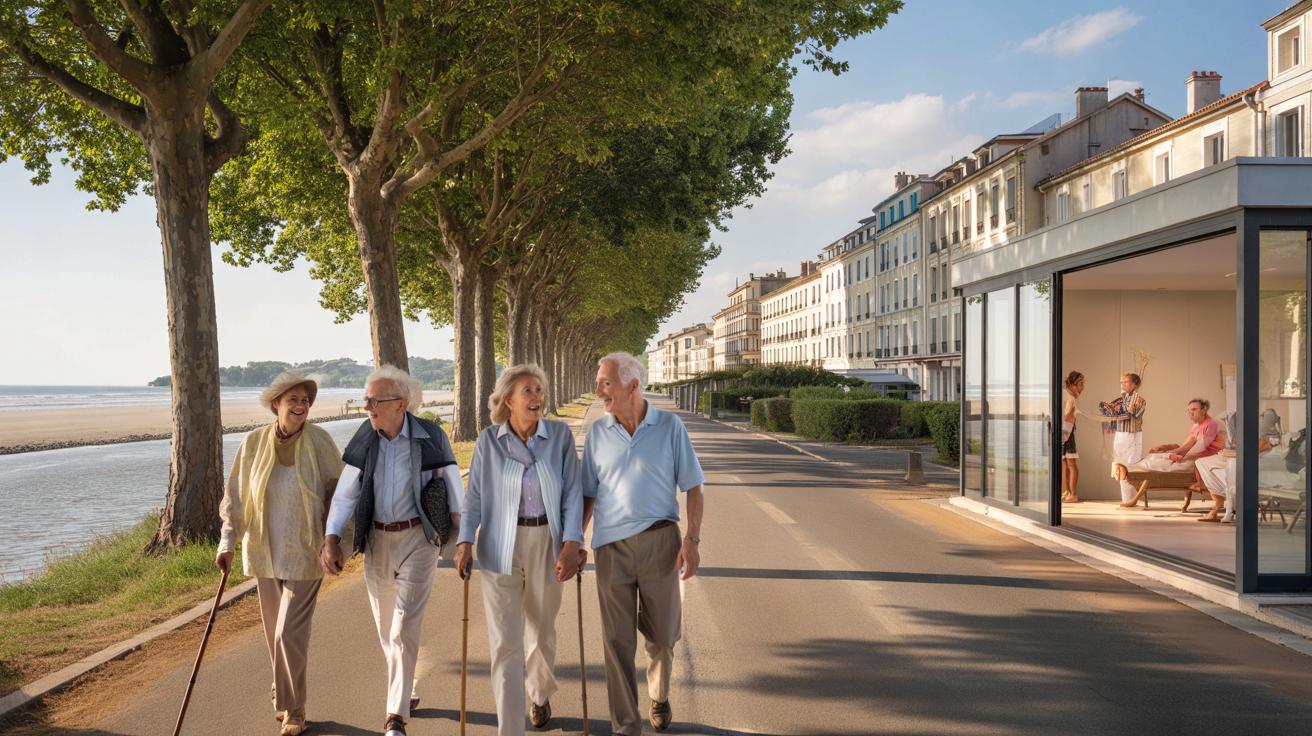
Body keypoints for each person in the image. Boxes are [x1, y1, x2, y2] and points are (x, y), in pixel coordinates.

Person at [320, 365, 464, 736]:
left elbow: (453, 486)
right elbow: (346, 493)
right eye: (366, 399)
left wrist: (464, 539)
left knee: (402, 628)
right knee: (387, 630)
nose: (367, 406)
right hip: (377, 541)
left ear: (401, 404)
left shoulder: (431, 435)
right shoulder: (365, 439)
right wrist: (331, 538)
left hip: (419, 540)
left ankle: (394, 717)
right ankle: (407, 685)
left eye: (374, 401)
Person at [455, 364, 585, 735]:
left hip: (546, 542)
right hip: (499, 545)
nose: (537, 397)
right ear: (508, 400)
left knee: (541, 633)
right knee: (504, 644)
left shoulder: (558, 437)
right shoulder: (488, 442)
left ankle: (540, 694)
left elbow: (573, 493)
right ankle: (509, 729)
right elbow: (475, 497)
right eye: (528, 390)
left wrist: (572, 543)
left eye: (540, 390)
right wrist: (465, 540)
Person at [582, 351, 704, 735]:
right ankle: (626, 726)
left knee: (663, 636)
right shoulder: (597, 432)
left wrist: (693, 539)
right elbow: (587, 494)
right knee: (616, 642)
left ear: (632, 386)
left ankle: (659, 692)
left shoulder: (669, 427)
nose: (599, 390)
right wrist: (572, 542)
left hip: (660, 542)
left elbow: (694, 487)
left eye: (606, 382)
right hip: (610, 548)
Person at [217, 370, 343, 736]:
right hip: (264, 551)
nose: (301, 406)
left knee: (289, 632)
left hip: (307, 553)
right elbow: (237, 499)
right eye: (294, 400)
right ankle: (283, 689)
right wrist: (227, 541)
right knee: (274, 632)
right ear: (277, 405)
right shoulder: (253, 444)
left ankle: (295, 710)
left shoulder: (321, 442)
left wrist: (335, 542)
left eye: (305, 401)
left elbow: (339, 497)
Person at [1138, 398, 1224, 511]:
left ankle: (1206, 488)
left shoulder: (1211, 424)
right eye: (1189, 411)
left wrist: (1182, 457)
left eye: (1194, 409)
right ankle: (1150, 461)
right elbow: (1189, 444)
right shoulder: (1196, 425)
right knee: (1157, 457)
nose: (1191, 413)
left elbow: (1201, 447)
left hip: (1209, 456)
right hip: (1197, 454)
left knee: (1163, 462)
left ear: (1204, 410)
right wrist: (1173, 453)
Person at [1088, 373, 1147, 506]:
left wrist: (1117, 410)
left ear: (1134, 384)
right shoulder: (1122, 399)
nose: (1122, 384)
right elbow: (1113, 411)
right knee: (1120, 466)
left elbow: (1130, 413)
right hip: (1120, 434)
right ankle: (1126, 499)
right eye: (1121, 382)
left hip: (1132, 435)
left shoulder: (1140, 400)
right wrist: (1109, 410)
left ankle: (1132, 499)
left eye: (1125, 382)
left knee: (1131, 466)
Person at [1061, 371, 1085, 503]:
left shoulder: (1067, 396)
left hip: (1064, 431)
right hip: (1066, 432)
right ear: (1072, 384)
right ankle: (1070, 494)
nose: (1082, 387)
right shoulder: (1070, 398)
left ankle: (1068, 493)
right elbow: (1065, 416)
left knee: (1066, 463)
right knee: (1070, 464)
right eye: (1080, 384)